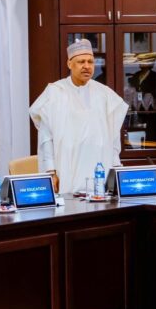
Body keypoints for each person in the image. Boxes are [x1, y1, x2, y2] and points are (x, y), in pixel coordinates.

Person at [30, 39, 128, 195]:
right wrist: (50, 170)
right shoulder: (55, 92)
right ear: (69, 64)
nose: (87, 66)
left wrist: (115, 167)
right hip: (67, 169)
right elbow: (46, 136)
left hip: (99, 169)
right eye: (81, 61)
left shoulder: (105, 94)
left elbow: (114, 134)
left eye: (90, 62)